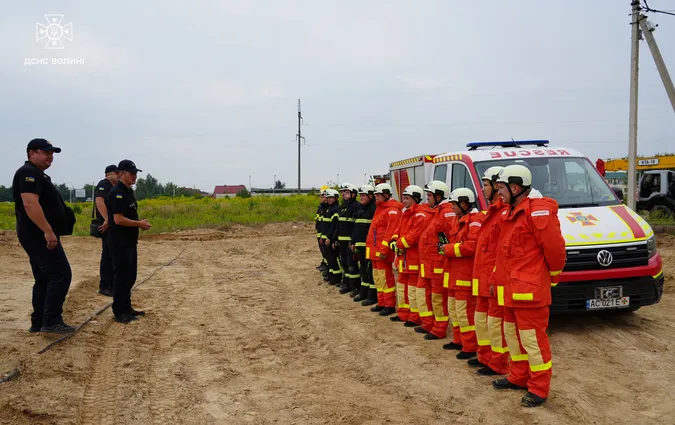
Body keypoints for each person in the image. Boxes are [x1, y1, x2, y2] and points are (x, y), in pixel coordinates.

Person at [492, 164, 566, 408]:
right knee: (513, 336)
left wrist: (553, 276)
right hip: (510, 288)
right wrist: (495, 279)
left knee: (533, 340)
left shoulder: (538, 212)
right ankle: (519, 376)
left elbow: (555, 251)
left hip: (529, 290)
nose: (498, 192)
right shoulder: (510, 212)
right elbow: (504, 253)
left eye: (501, 188)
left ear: (515, 187)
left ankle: (539, 388)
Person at [12, 138, 75, 333]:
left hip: (38, 234)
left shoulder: (37, 174)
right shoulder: (28, 173)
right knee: (61, 274)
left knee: (44, 278)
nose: (50, 156)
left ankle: (39, 321)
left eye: (52, 153)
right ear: (32, 153)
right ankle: (51, 321)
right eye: (46, 152)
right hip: (38, 235)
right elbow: (30, 204)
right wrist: (47, 231)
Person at [470, 167, 510, 376]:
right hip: (482, 277)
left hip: (493, 279)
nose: (483, 190)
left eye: (485, 185)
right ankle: (485, 357)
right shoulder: (492, 212)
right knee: (481, 320)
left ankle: (498, 363)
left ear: (496, 186)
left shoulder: (503, 213)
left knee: (495, 324)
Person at [440, 188, 485, 360]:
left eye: (454, 204)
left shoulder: (474, 221)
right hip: (454, 273)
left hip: (464, 276)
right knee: (454, 310)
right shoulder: (459, 219)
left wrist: (448, 249)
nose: (451, 207)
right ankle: (459, 340)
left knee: (465, 313)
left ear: (464, 203)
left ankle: (470, 346)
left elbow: (472, 246)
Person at [107, 159, 152, 324]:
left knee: (130, 276)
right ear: (121, 174)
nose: (134, 177)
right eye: (131, 173)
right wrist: (139, 224)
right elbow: (118, 220)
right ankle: (119, 311)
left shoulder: (128, 191)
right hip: (120, 242)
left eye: (135, 173)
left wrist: (138, 223)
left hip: (130, 241)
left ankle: (127, 307)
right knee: (121, 277)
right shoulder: (117, 193)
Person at [416, 181, 455, 341]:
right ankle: (428, 323)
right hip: (429, 263)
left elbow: (450, 237)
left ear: (439, 196)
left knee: (438, 298)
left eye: (430, 196)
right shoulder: (438, 211)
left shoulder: (446, 213)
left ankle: (439, 329)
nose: (427, 199)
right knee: (425, 295)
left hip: (438, 264)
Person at [390, 185, 432, 326]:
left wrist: (398, 244)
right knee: (402, 288)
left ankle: (415, 317)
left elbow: (412, 237)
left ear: (416, 199)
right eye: (403, 198)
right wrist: (394, 240)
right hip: (404, 258)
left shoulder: (421, 215)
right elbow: (398, 230)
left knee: (413, 290)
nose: (404, 201)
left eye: (407, 198)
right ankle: (403, 313)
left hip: (414, 259)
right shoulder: (406, 213)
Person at [365, 183, 402, 316]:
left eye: (379, 195)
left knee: (386, 278)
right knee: (378, 277)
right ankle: (382, 302)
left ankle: (389, 305)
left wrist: (384, 250)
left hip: (382, 250)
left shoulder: (392, 210)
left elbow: (390, 232)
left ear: (386, 194)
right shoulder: (381, 208)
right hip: (375, 249)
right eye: (376, 195)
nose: (376, 198)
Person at [94, 164, 119, 297]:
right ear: (108, 174)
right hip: (107, 225)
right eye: (116, 173)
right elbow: (99, 201)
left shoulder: (115, 187)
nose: (118, 175)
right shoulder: (104, 184)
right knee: (108, 256)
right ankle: (105, 286)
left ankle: (112, 284)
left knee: (113, 255)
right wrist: (107, 219)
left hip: (112, 224)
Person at [351, 184, 377, 305]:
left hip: (369, 246)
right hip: (360, 245)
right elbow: (357, 228)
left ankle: (372, 296)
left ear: (371, 196)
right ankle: (364, 292)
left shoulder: (374, 209)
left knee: (369, 269)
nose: (361, 198)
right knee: (363, 269)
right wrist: (353, 241)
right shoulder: (361, 209)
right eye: (360, 195)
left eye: (363, 196)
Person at [336, 183, 362, 296]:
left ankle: (355, 287)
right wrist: (335, 238)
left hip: (350, 242)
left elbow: (357, 227)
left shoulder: (356, 206)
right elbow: (339, 224)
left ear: (353, 194)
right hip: (342, 241)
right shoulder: (343, 206)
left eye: (346, 192)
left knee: (352, 265)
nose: (343, 194)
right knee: (344, 263)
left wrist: (354, 241)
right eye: (342, 192)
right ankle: (346, 283)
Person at [321, 189, 343, 286]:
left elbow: (334, 226)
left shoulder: (336, 209)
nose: (329, 200)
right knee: (329, 258)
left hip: (331, 237)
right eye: (328, 198)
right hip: (326, 236)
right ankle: (331, 275)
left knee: (333, 258)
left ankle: (336, 277)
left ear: (336, 198)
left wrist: (330, 237)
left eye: (331, 198)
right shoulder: (329, 209)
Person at [315, 186, 329, 273]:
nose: (321, 198)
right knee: (322, 250)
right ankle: (324, 262)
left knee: (326, 250)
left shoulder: (327, 208)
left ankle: (326, 264)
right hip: (320, 232)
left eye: (323, 196)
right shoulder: (321, 207)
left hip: (324, 233)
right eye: (321, 196)